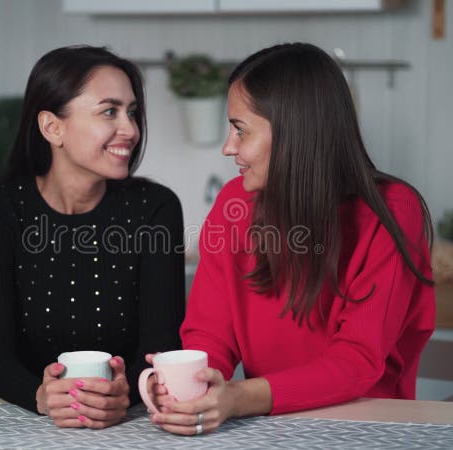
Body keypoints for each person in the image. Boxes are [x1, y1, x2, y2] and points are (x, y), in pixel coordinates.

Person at [146, 42, 435, 435]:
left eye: (240, 129)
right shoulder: (234, 203)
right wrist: (198, 386)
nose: (229, 147)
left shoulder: (393, 212)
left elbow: (357, 361)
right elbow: (210, 331)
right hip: (269, 428)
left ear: (294, 131)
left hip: (369, 430)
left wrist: (240, 397)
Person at [0, 45, 185, 429]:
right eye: (109, 111)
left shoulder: (156, 209)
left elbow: (161, 348)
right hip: (24, 423)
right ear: (53, 127)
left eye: (131, 112)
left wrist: (126, 394)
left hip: (127, 424)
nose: (131, 130)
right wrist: (39, 395)